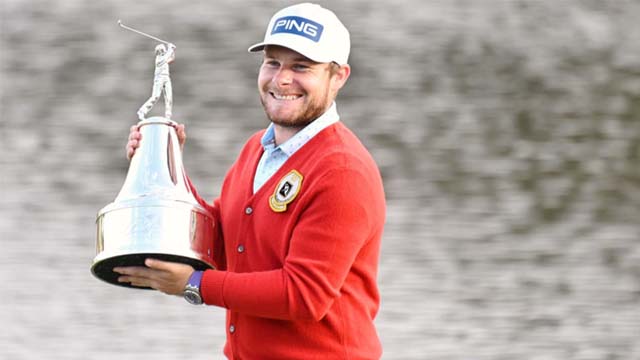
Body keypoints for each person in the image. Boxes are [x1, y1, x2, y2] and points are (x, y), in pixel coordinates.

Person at [115, 3, 386, 359]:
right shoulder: (255, 149)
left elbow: (303, 295)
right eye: (273, 62)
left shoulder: (343, 172)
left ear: (339, 77)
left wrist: (194, 284)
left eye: (301, 66)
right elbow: (227, 242)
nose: (282, 79)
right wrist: (163, 163)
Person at [137, 42, 176, 120]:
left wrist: (173, 50)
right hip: (159, 79)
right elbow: (166, 57)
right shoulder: (159, 59)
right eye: (163, 50)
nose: (164, 51)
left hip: (166, 78)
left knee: (169, 97)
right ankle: (142, 111)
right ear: (160, 51)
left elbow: (171, 59)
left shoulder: (164, 58)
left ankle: (168, 115)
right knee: (155, 97)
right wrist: (170, 48)